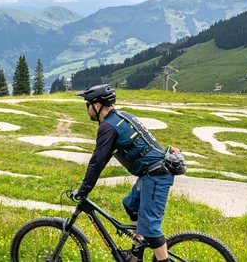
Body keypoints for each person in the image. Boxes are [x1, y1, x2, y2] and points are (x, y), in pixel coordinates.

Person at [71, 84, 178, 262]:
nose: (87, 109)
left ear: (97, 105)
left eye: (87, 104)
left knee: (151, 228)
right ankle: (136, 255)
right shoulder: (120, 117)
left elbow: (97, 161)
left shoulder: (108, 127)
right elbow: (102, 159)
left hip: (156, 174)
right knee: (130, 204)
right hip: (149, 174)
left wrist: (83, 190)